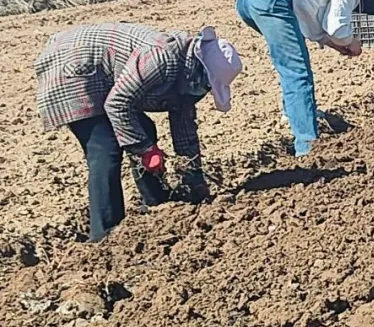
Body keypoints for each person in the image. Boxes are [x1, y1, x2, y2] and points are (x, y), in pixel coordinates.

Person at [34, 23, 242, 242]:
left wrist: (195, 179)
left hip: (103, 79)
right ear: (197, 67)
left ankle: (158, 206)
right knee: (106, 148)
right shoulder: (163, 59)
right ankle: (104, 234)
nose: (203, 90)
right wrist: (145, 150)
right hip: (73, 67)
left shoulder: (189, 79)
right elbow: (117, 103)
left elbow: (184, 131)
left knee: (144, 130)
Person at [236, 0, 374, 157]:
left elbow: (313, 23)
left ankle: (294, 114)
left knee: (289, 63)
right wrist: (352, 43)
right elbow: (336, 27)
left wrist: (334, 44)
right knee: (297, 72)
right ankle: (307, 147)